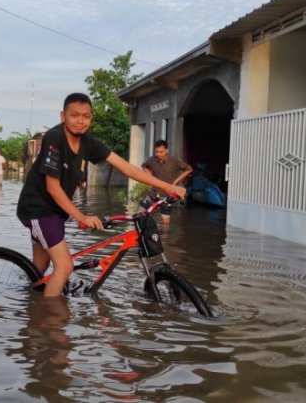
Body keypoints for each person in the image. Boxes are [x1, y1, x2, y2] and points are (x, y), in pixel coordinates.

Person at [16, 93, 186, 297]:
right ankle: (50, 324)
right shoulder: (55, 137)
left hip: (56, 211)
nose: (80, 121)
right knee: (65, 267)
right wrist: (83, 217)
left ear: (91, 119)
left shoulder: (88, 143)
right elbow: (52, 187)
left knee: (39, 269)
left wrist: (168, 187)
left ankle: (25, 305)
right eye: (74, 115)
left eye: (86, 116)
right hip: (39, 209)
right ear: (63, 116)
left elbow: (128, 169)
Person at [141, 139, 193, 224]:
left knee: (165, 220)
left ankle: (165, 236)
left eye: (161, 152)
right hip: (153, 193)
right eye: (156, 152)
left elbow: (189, 169)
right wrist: (151, 178)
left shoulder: (174, 161)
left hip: (167, 196)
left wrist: (176, 181)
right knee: (141, 213)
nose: (158, 154)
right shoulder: (152, 160)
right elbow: (144, 166)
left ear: (167, 150)